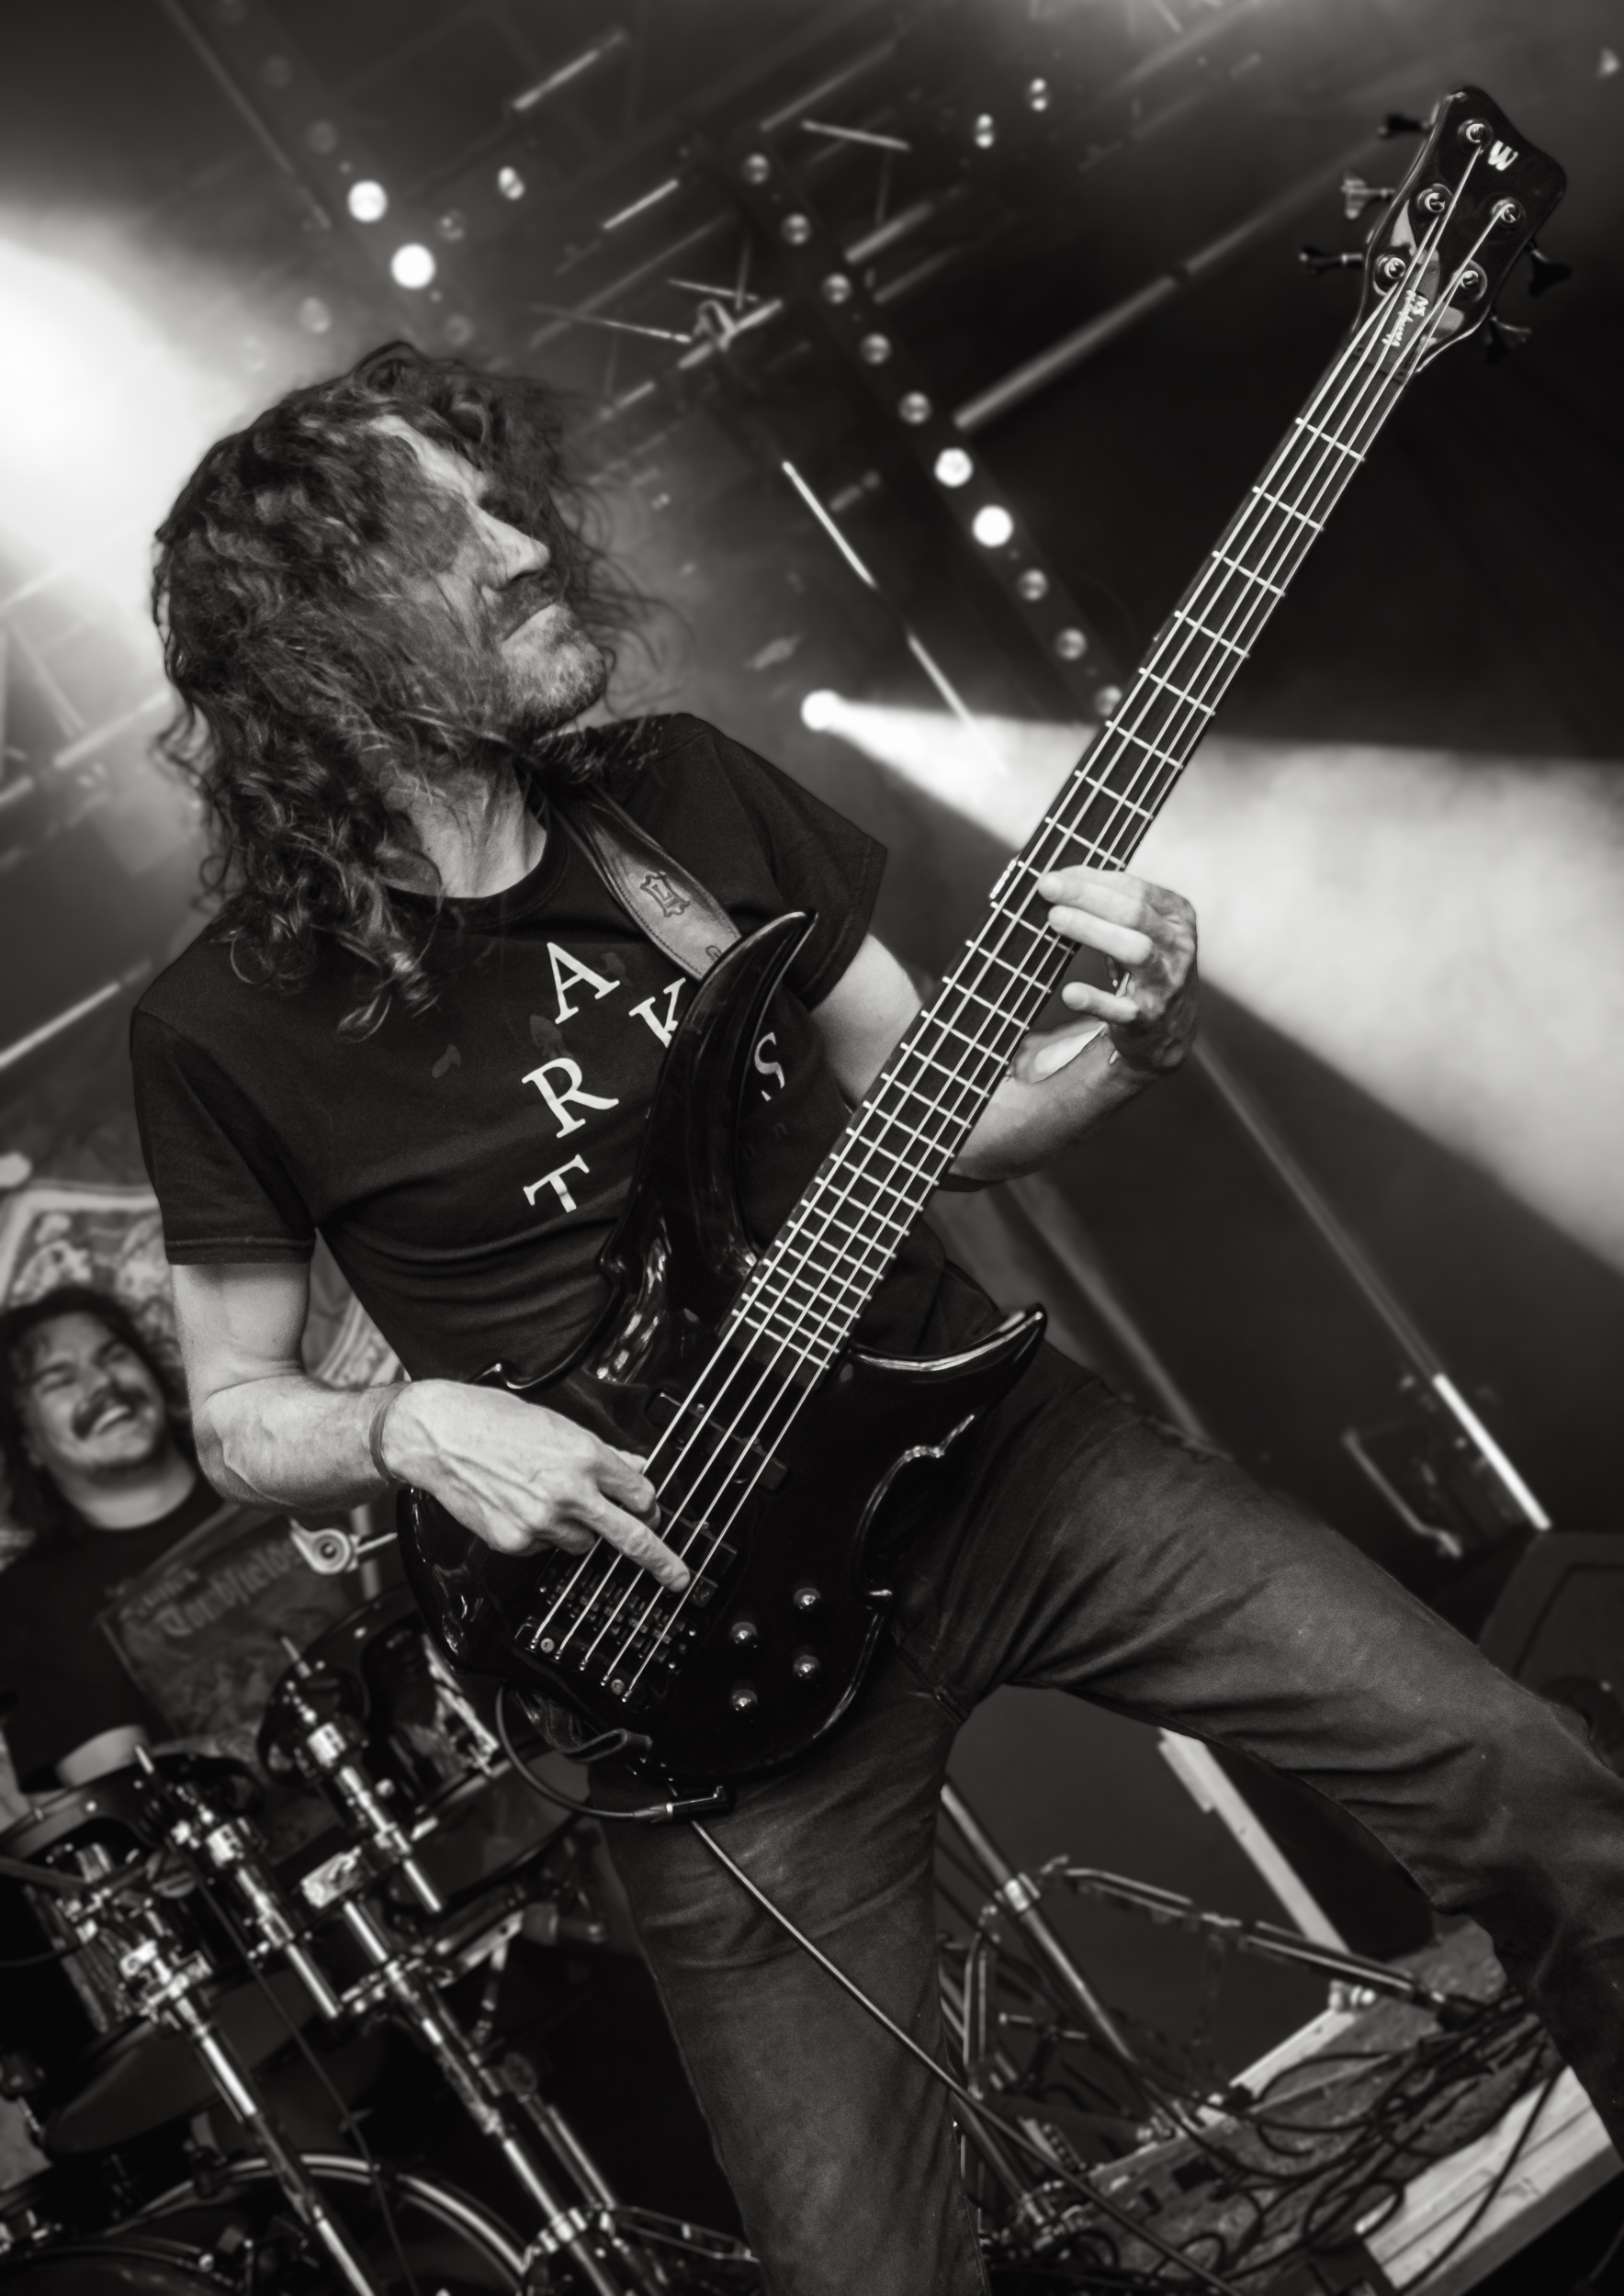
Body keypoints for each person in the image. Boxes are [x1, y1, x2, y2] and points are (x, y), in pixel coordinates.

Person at [130, 343, 1624, 2296]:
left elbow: (939, 1117)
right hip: (686, 1644)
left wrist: (1127, 1049)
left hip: (997, 1473)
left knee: (1526, 1785)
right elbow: (235, 1409)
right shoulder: (227, 1025)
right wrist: (410, 1426)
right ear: (322, 636)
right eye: (446, 531)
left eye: (503, 500)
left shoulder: (677, 800)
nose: (519, 545)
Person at [0, 1286, 354, 1796]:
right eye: (60, 1380)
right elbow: (122, 1784)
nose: (102, 1384)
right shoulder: (30, 1602)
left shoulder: (276, 1462)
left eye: (113, 1356)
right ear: (27, 1442)